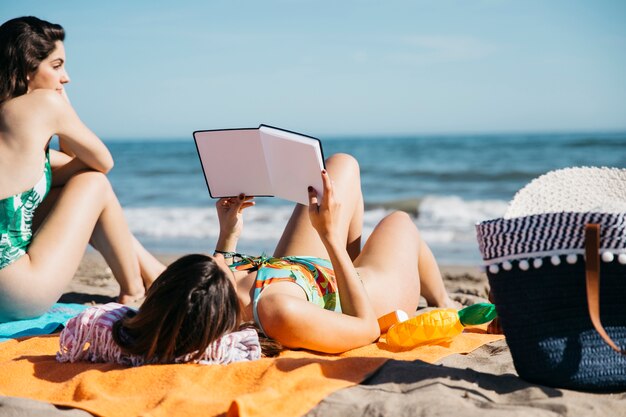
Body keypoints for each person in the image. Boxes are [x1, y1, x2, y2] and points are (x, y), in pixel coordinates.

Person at [112, 153, 457, 357]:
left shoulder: (218, 291)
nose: (220, 262)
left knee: (340, 166)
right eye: (217, 266)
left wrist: (228, 234)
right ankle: (442, 300)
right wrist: (331, 238)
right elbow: (366, 328)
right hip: (365, 297)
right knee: (398, 222)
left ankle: (350, 260)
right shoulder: (280, 313)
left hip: (298, 272)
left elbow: (219, 273)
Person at [0, 16, 165, 322]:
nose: (66, 78)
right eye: (57, 65)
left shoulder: (10, 123)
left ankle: (154, 273)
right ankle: (134, 291)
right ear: (27, 68)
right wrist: (63, 108)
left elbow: (70, 169)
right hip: (14, 291)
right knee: (94, 184)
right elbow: (102, 163)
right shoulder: (44, 104)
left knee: (77, 185)